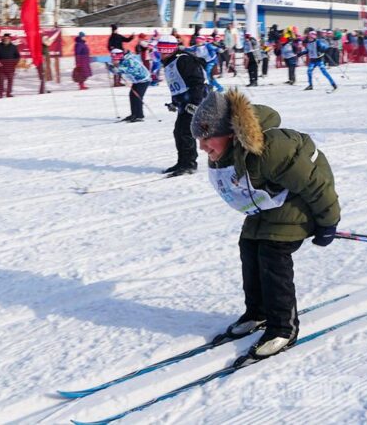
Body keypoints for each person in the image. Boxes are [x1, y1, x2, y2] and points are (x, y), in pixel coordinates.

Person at [190, 89, 340, 359]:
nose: (202, 147)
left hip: (301, 201)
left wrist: (328, 222)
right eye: (200, 140)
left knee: (273, 251)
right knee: (249, 244)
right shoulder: (228, 151)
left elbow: (315, 184)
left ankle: (283, 327)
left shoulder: (271, 148)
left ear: (230, 132)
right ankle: (257, 313)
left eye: (207, 138)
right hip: (271, 202)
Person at [159, 34, 206, 176]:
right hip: (183, 103)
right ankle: (182, 162)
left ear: (168, 50)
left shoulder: (183, 60)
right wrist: (174, 103)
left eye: (161, 51)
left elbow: (197, 82)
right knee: (178, 132)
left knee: (185, 133)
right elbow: (178, 85)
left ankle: (189, 164)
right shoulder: (170, 62)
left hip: (193, 102)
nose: (159, 54)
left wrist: (195, 103)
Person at [109, 49, 151, 122]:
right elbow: (118, 71)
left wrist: (118, 69)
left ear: (119, 57)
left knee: (137, 97)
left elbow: (132, 69)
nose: (114, 61)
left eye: (115, 59)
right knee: (132, 96)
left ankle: (139, 115)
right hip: (136, 81)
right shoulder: (123, 60)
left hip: (143, 80)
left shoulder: (129, 60)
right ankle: (134, 114)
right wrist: (111, 69)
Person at [0, 33, 20, 98]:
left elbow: (17, 56)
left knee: (10, 81)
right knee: (1, 81)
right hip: (1, 67)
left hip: (10, 67)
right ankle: (1, 94)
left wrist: (14, 63)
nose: (6, 39)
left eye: (8, 38)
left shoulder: (14, 47)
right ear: (3, 38)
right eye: (5, 38)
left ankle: (8, 93)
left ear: (10, 39)